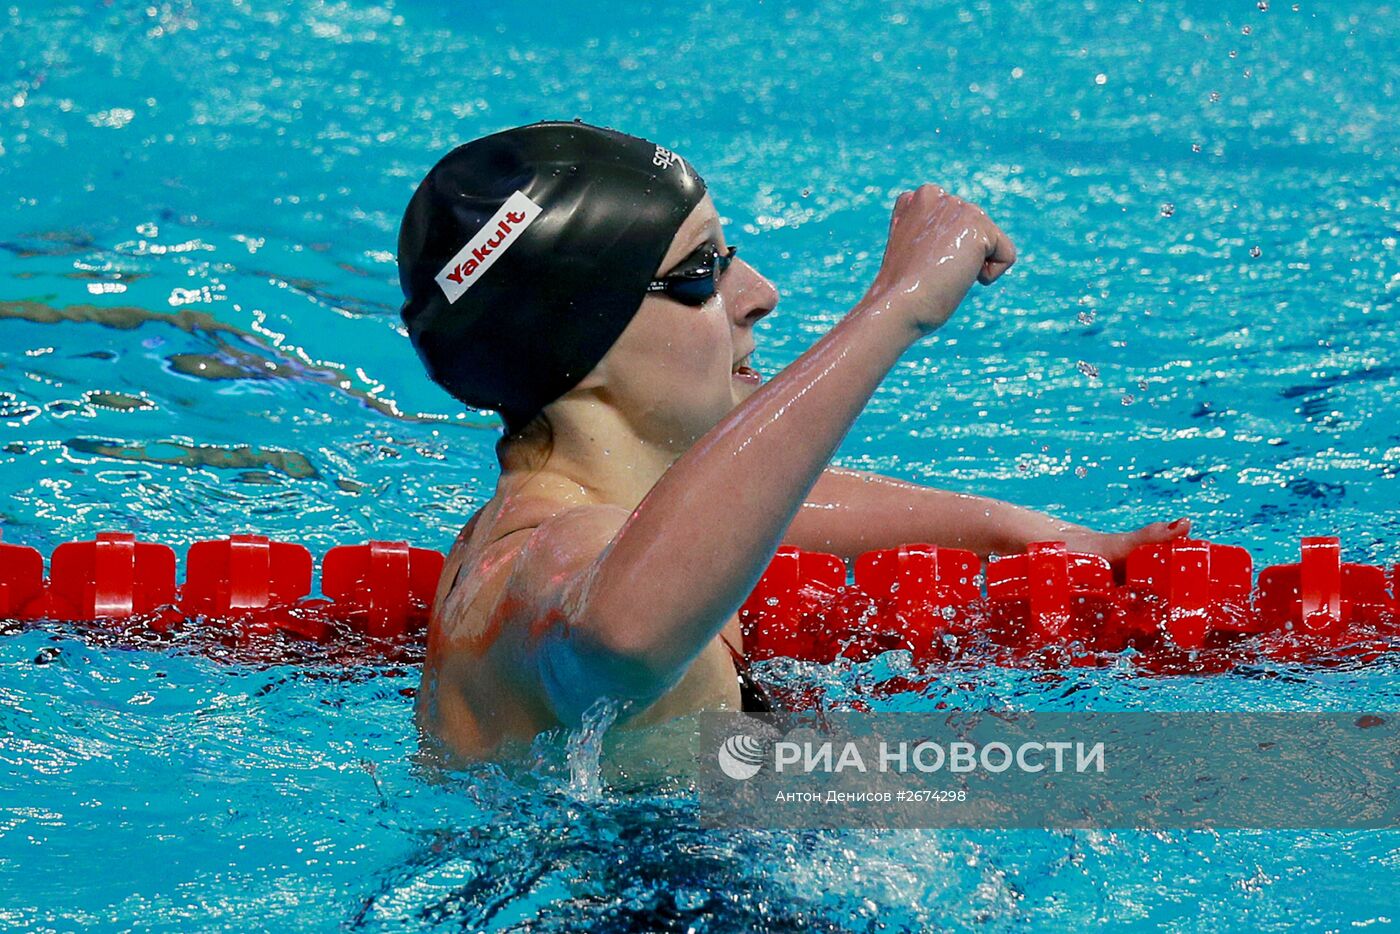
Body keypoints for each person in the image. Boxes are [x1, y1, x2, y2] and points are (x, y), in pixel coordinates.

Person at [396, 120, 1190, 761]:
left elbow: (737, 507)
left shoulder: (537, 522)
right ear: (581, 341)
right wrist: (896, 307)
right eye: (701, 272)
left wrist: (1023, 535)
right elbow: (618, 632)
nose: (758, 296)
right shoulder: (551, 558)